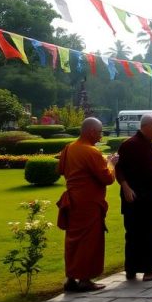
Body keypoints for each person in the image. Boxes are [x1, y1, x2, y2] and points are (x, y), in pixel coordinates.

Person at [57, 118, 117, 292]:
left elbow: (61, 169)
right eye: (99, 133)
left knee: (73, 240)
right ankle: (84, 280)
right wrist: (111, 163)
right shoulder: (91, 151)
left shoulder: (69, 148)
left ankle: (70, 278)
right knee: (89, 241)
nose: (100, 137)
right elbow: (107, 178)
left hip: (72, 201)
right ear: (91, 132)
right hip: (89, 203)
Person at [115, 114, 152, 281]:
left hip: (151, 197)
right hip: (139, 198)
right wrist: (125, 186)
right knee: (140, 234)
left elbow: (151, 170)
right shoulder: (130, 145)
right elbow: (120, 169)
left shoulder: (148, 146)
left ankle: (133, 269)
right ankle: (148, 270)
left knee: (141, 234)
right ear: (146, 127)